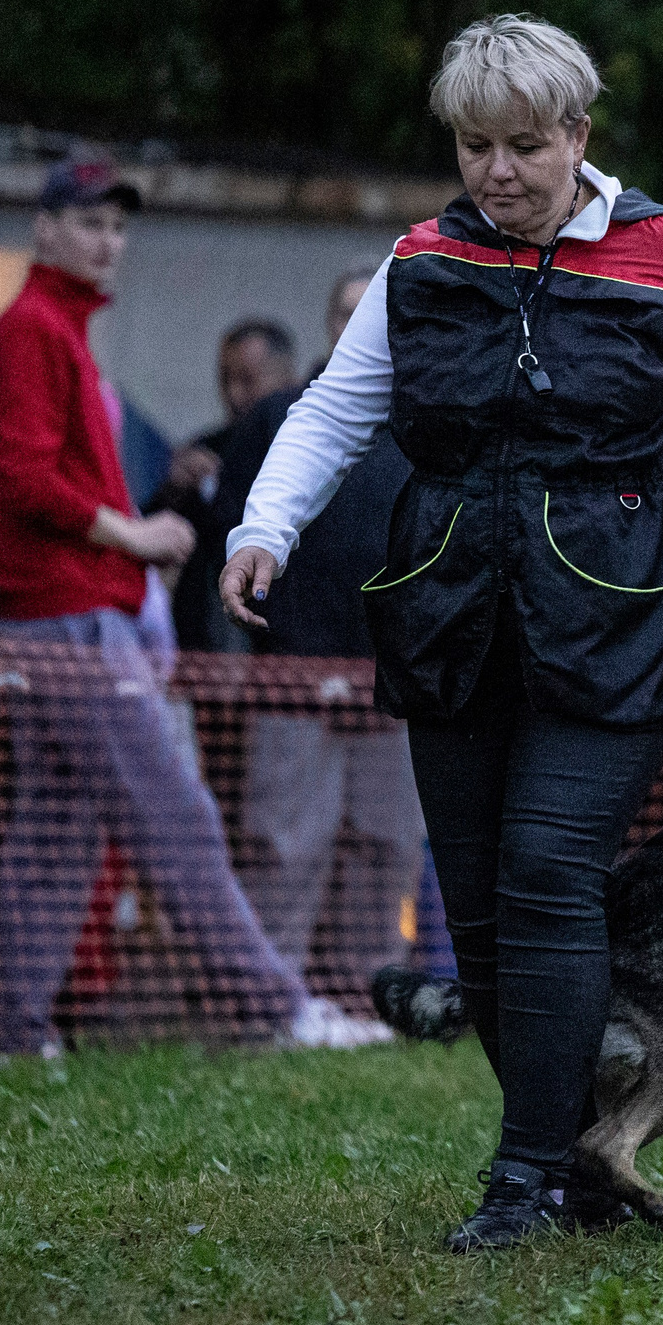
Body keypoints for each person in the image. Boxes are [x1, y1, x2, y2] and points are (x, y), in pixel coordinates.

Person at [219, 14, 663, 1251]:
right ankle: (581, 1155)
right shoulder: (420, 260)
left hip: (620, 617)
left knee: (545, 877)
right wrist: (263, 528)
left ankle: (524, 1175)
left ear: (579, 136)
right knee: (475, 910)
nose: (498, 172)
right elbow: (333, 410)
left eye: (525, 145)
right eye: (476, 146)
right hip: (449, 610)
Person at [0, 157, 384, 1060]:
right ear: (44, 229)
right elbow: (16, 474)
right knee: (175, 814)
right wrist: (137, 534)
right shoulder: (35, 328)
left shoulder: (55, 328)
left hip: (64, 617)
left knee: (57, 825)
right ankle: (276, 1008)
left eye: (117, 228)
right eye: (89, 224)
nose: (108, 242)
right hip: (71, 618)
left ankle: (14, 1030)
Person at [229, 269, 430, 991]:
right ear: (328, 323)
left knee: (386, 850)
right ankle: (272, 1002)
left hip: (395, 682)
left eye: (370, 312)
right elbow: (231, 522)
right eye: (346, 312)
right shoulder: (279, 417)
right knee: (285, 848)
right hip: (292, 681)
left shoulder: (429, 423)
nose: (357, 325)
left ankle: (365, 1004)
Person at [155, 319, 303, 652]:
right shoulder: (207, 448)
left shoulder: (307, 458)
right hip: (208, 637)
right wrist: (174, 487)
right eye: (226, 380)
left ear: (289, 379)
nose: (235, 395)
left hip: (289, 641)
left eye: (248, 381)